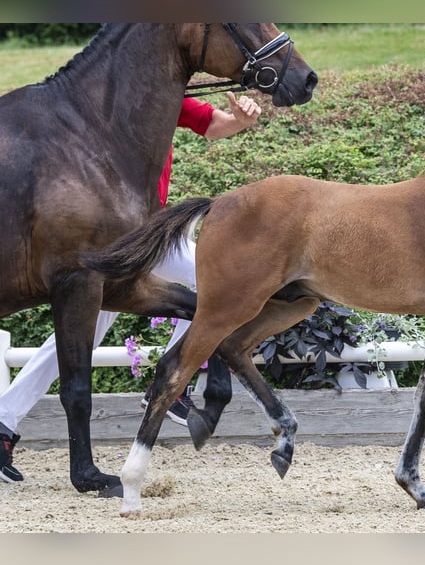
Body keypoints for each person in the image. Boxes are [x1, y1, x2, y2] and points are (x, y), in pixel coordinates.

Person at [0, 92, 261, 484]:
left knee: (76, 340)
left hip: (141, 237)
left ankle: (4, 420)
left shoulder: (165, 94)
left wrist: (242, 118)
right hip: (120, 236)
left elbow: (215, 124)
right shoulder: (103, 100)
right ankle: (173, 388)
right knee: (219, 282)